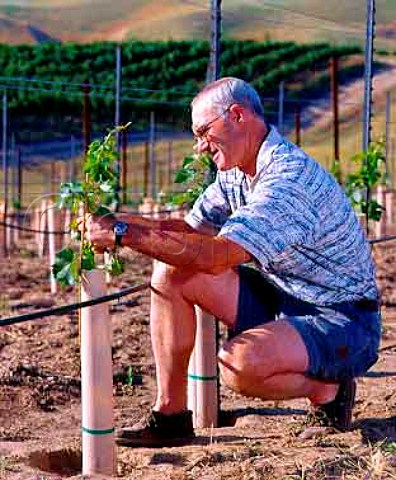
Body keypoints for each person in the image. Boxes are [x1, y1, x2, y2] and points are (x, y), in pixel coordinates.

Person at [84, 77, 381, 448]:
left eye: (203, 131)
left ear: (237, 115)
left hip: (343, 319)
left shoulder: (287, 180)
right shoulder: (237, 174)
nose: (199, 146)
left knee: (237, 367)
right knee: (171, 272)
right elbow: (189, 231)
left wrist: (125, 234)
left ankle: (328, 388)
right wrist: (116, 221)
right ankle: (171, 416)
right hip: (282, 296)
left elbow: (214, 256)